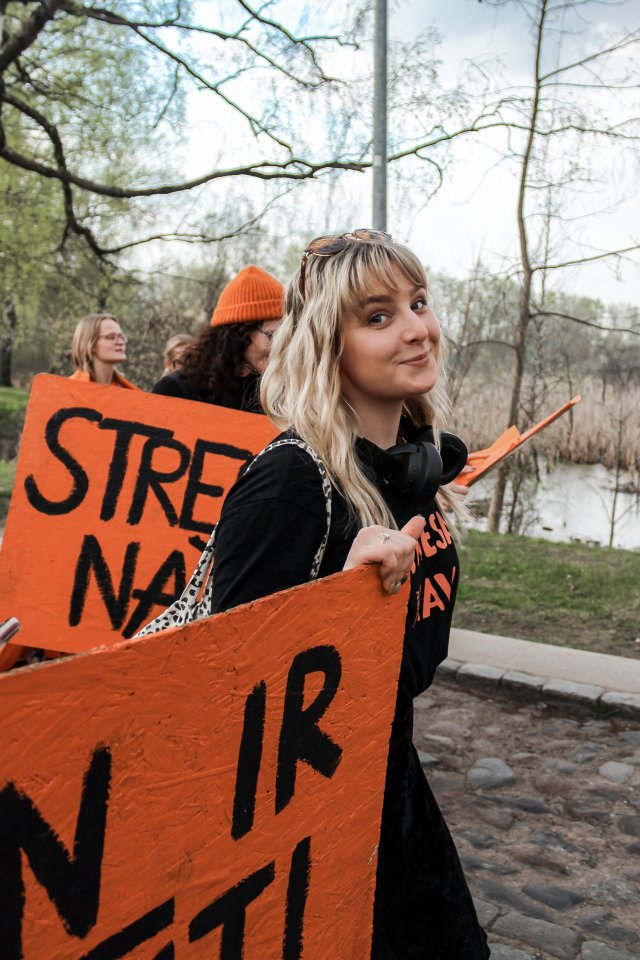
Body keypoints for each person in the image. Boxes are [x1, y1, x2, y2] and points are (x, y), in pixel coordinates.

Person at [206, 230, 489, 958]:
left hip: (389, 801)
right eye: (378, 315)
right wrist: (336, 601)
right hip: (307, 841)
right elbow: (218, 691)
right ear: (329, 347)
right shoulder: (290, 483)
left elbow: (413, 667)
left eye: (418, 302)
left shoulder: (412, 479)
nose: (418, 328)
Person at [151, 265, 284, 411]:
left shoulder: (277, 392)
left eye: (287, 336)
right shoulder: (175, 389)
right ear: (239, 333)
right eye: (274, 336)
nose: (282, 346)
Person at [69, 313, 138, 389]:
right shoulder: (70, 389)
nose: (121, 342)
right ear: (91, 345)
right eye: (111, 337)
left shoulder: (130, 392)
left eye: (121, 337)